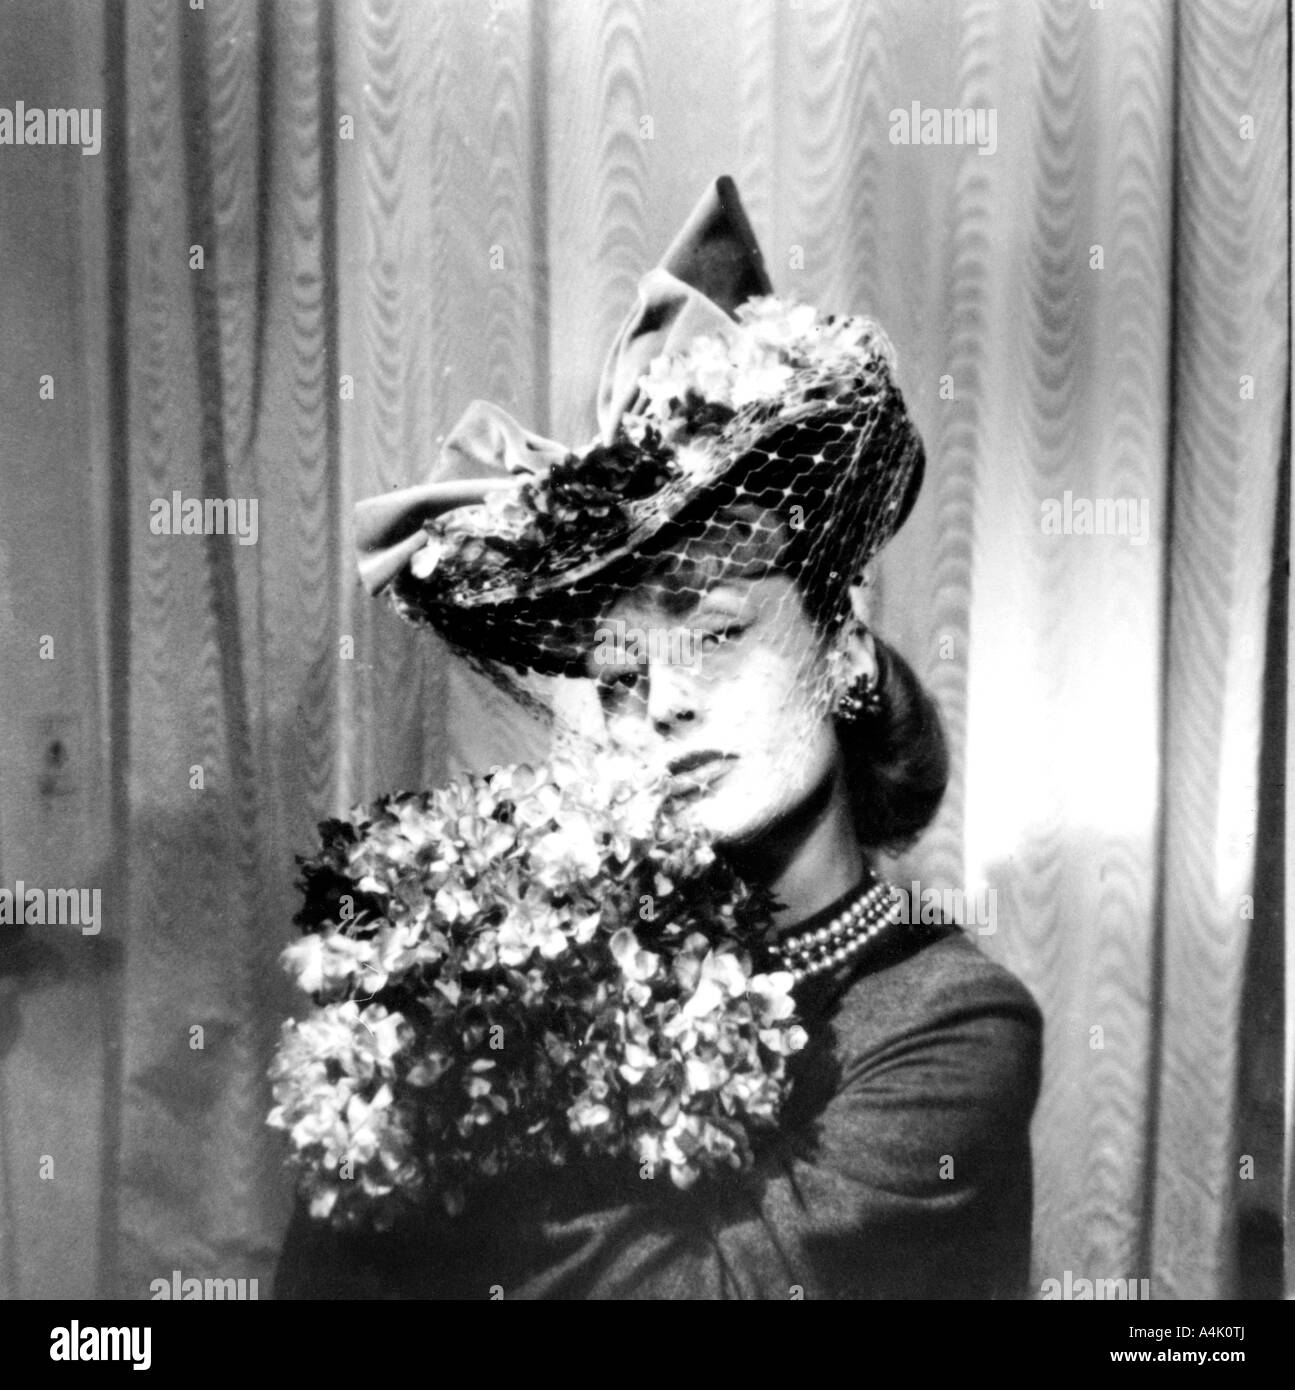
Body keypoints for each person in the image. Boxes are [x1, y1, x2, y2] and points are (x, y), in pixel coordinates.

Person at [275, 177, 1042, 1299]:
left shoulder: (949, 1020)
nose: (665, 704)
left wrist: (470, 1085)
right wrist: (413, 1049)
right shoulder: (553, 967)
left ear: (840, 647)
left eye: (719, 633)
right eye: (619, 674)